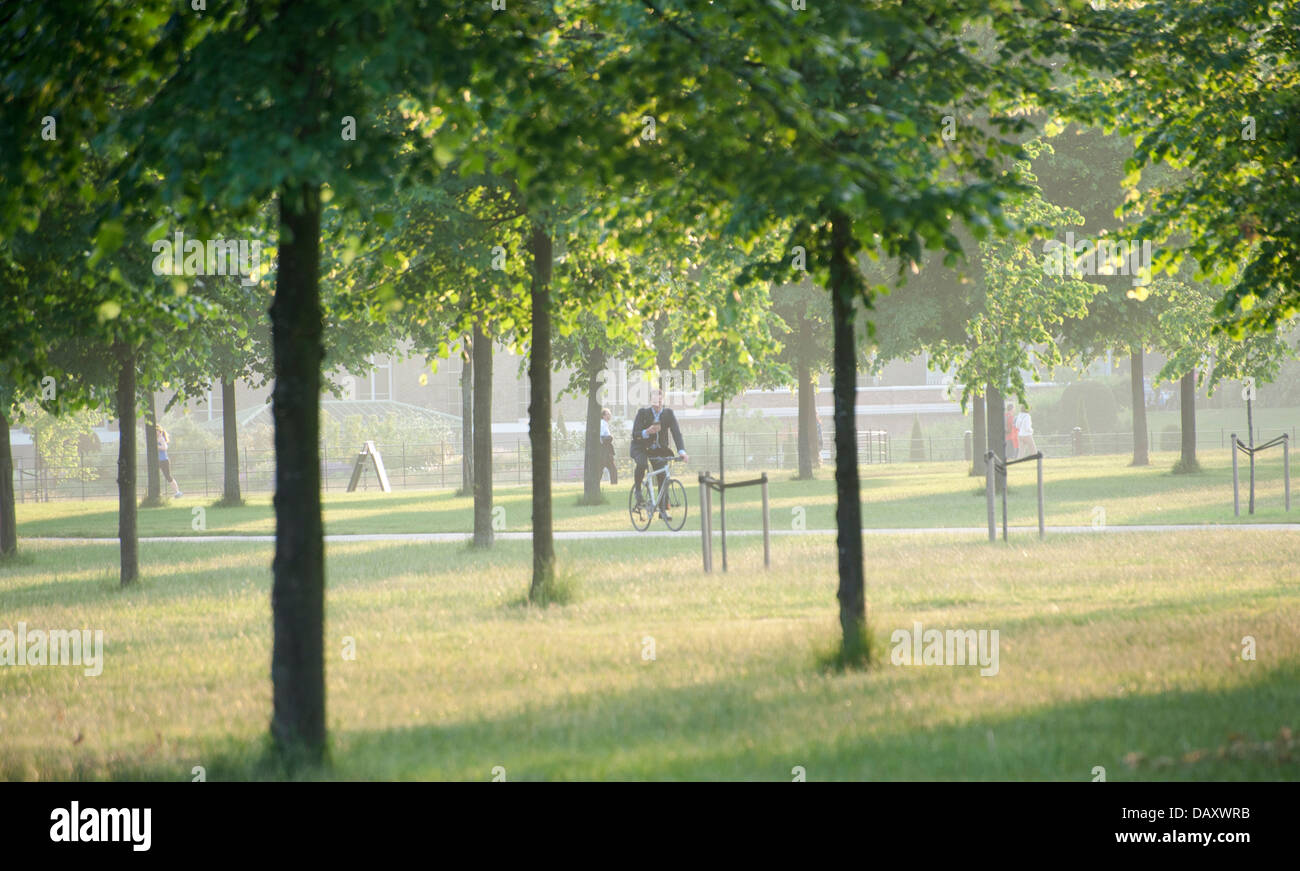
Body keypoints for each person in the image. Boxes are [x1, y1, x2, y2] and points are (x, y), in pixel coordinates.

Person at [631, 389, 688, 520]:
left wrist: (682, 452)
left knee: (663, 475)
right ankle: (638, 491)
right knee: (642, 463)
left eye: (660, 400)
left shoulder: (668, 414)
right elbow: (635, 434)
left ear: (663, 400)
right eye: (655, 400)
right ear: (651, 401)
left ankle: (663, 510)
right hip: (641, 447)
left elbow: (676, 433)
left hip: (658, 450)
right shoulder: (642, 413)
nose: (657, 403)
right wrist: (646, 431)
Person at [157, 426, 183, 498]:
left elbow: (165, 447)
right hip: (157, 461)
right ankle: (157, 493)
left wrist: (157, 447)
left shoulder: (161, 439)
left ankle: (177, 492)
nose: (155, 432)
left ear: (160, 431)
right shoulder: (156, 439)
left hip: (164, 460)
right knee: (155, 475)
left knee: (168, 476)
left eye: (157, 430)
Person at [599, 408, 618, 485]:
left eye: (609, 414)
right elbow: (601, 438)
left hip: (605, 450)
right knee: (612, 468)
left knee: (601, 468)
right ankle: (614, 484)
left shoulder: (604, 424)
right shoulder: (602, 424)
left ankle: (596, 483)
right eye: (607, 414)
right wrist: (610, 437)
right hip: (605, 450)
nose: (609, 416)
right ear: (603, 416)